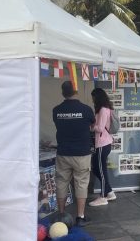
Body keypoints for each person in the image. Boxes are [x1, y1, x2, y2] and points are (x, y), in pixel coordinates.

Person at [53, 81, 95, 227]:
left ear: (62, 92)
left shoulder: (56, 110)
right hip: (82, 153)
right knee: (81, 183)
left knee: (61, 182)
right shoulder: (86, 109)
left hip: (63, 152)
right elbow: (92, 125)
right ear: (76, 92)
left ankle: (61, 215)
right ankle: (80, 217)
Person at [88, 88, 117, 207]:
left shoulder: (103, 110)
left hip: (102, 144)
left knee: (100, 170)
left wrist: (91, 127)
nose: (93, 100)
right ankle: (109, 192)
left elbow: (100, 128)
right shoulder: (105, 109)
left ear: (97, 97)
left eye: (93, 97)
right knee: (96, 168)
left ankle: (103, 197)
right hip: (103, 143)